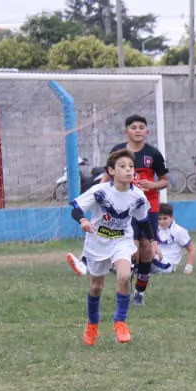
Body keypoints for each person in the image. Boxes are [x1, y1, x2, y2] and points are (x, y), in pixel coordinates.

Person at [66, 115, 168, 305]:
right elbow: (107, 176)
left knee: (146, 249)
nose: (138, 131)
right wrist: (101, 192)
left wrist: (153, 185)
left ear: (147, 131)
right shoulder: (117, 152)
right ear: (126, 131)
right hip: (122, 207)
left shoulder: (154, 154)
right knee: (131, 247)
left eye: (141, 127)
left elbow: (164, 181)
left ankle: (139, 292)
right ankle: (119, 278)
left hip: (148, 207)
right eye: (133, 127)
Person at [70, 149, 151, 345]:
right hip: (97, 242)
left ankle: (120, 323)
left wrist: (153, 242)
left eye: (131, 166)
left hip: (122, 241)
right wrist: (83, 221)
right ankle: (92, 325)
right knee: (96, 286)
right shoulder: (100, 191)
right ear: (111, 171)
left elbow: (143, 221)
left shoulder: (138, 196)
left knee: (124, 276)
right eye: (122, 166)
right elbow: (76, 209)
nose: (128, 170)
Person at [150, 203, 196, 274]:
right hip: (155, 260)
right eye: (159, 219)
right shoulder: (156, 228)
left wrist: (188, 268)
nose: (162, 222)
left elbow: (191, 250)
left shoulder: (179, 231)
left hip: (167, 265)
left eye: (165, 218)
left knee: (145, 253)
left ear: (172, 218)